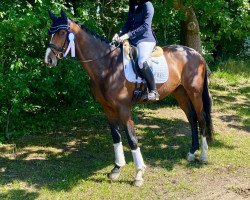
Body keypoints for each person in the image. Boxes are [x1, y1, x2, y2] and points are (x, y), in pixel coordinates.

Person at [113, 0, 159, 101]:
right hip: (133, 40)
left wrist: (128, 35)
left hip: (145, 39)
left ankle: (154, 91)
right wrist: (119, 34)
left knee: (142, 61)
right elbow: (127, 24)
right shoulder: (132, 5)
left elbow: (145, 26)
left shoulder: (148, 5)